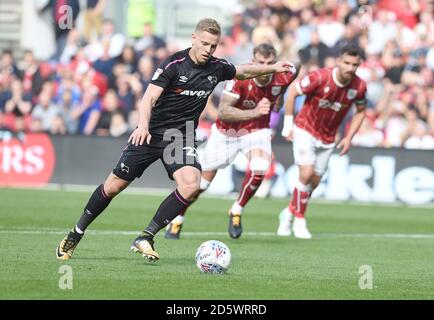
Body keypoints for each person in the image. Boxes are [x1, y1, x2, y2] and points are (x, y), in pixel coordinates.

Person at [56, 18, 295, 261]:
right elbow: (148, 98)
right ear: (193, 38)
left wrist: (273, 68)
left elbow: (243, 71)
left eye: (213, 46)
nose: (208, 50)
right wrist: (143, 126)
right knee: (113, 186)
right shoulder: (174, 64)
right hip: (150, 133)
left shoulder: (217, 67)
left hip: (179, 137)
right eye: (204, 44)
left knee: (191, 184)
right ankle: (76, 233)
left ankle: (146, 236)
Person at [165, 43, 299, 240]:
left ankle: (236, 209)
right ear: (253, 62)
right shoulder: (240, 78)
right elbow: (224, 112)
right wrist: (255, 111)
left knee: (260, 166)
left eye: (270, 63)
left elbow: (297, 67)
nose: (265, 67)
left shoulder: (282, 75)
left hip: (257, 130)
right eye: (261, 62)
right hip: (226, 133)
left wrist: (278, 98)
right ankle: (177, 218)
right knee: (200, 185)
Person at [277, 44, 367, 239]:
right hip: (305, 129)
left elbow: (361, 112)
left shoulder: (359, 86)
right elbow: (293, 91)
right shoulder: (320, 77)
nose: (350, 68)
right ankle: (299, 221)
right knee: (306, 173)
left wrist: (349, 137)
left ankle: (289, 212)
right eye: (347, 63)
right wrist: (288, 124)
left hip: (328, 137)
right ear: (338, 62)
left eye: (354, 65)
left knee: (314, 182)